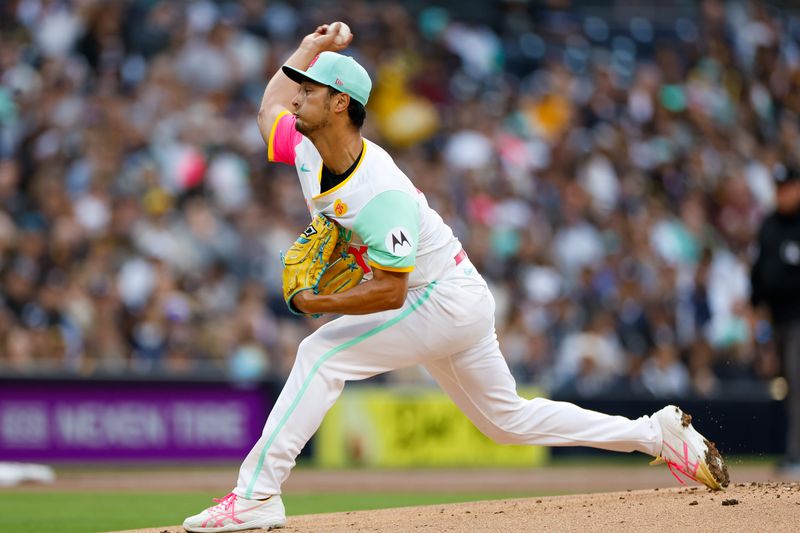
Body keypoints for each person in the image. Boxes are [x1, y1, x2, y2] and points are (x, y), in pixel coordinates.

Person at [182, 23, 728, 532]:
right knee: (507, 422)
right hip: (453, 295)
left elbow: (392, 290)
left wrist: (316, 302)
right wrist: (309, 48)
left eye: (310, 89)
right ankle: (655, 434)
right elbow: (267, 107)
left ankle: (256, 494)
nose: (296, 96)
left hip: (436, 295)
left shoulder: (380, 192)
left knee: (320, 354)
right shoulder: (305, 147)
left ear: (340, 103)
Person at [750, 163, 800, 478]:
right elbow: (759, 276)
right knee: (787, 388)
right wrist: (757, 319)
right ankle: (793, 453)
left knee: (798, 385)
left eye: (787, 187)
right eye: (778, 188)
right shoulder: (769, 225)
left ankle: (796, 455)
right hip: (778, 320)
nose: (782, 194)